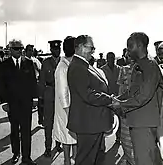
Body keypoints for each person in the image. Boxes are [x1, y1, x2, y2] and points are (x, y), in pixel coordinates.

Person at [112, 32, 163, 165]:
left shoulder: (150, 66)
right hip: (137, 123)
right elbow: (132, 91)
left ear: (140, 45)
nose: (128, 50)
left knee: (144, 161)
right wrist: (116, 99)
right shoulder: (139, 65)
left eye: (130, 46)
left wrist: (121, 104)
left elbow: (143, 97)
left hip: (144, 125)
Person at [67, 35, 115, 165]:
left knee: (94, 159)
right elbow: (87, 94)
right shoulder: (78, 66)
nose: (93, 51)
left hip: (92, 123)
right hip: (88, 124)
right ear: (81, 47)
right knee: (85, 160)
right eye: (91, 48)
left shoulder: (83, 65)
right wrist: (110, 100)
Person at [0, 39, 38, 165]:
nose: (19, 51)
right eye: (16, 48)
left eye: (21, 48)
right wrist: (4, 102)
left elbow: (33, 82)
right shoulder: (4, 65)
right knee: (14, 130)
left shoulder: (29, 63)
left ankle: (26, 156)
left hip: (26, 103)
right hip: (12, 104)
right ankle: (16, 153)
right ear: (10, 50)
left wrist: (35, 98)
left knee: (26, 130)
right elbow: (1, 84)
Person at [53, 36, 77, 165]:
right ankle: (67, 160)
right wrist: (69, 113)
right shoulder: (62, 67)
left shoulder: (72, 64)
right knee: (67, 136)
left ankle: (73, 159)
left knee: (74, 138)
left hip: (74, 108)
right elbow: (63, 94)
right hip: (66, 109)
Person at [39, 40, 63, 157]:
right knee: (48, 123)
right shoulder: (46, 62)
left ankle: (58, 144)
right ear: (51, 50)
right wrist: (41, 97)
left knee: (60, 121)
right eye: (54, 49)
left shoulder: (64, 62)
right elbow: (42, 80)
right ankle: (48, 147)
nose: (57, 51)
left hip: (61, 95)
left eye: (58, 49)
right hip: (49, 94)